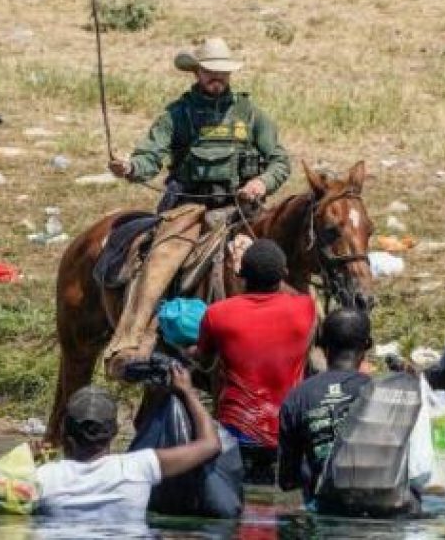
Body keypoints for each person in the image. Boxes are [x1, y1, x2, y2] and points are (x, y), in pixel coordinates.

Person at [102, 36, 290, 372]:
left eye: (222, 73)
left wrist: (261, 182)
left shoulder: (251, 114)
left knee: (286, 257)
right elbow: (150, 155)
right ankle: (132, 340)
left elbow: (279, 161)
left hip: (242, 208)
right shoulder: (178, 114)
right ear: (197, 73)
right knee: (162, 258)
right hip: (189, 209)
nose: (216, 78)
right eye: (209, 72)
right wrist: (131, 168)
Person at [195, 239, 316, 484]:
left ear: (242, 275)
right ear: (283, 275)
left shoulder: (217, 313)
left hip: (236, 434)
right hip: (286, 434)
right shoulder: (306, 308)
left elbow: (203, 359)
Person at [35, 364, 219, 519]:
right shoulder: (138, 467)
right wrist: (188, 392)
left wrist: (33, 462)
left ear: (64, 433)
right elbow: (211, 444)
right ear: (114, 432)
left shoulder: (43, 477)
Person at [277, 308, 373, 507]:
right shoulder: (381, 393)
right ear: (367, 346)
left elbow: (287, 481)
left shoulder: (297, 398)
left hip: (325, 509)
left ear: (321, 345)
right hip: (382, 512)